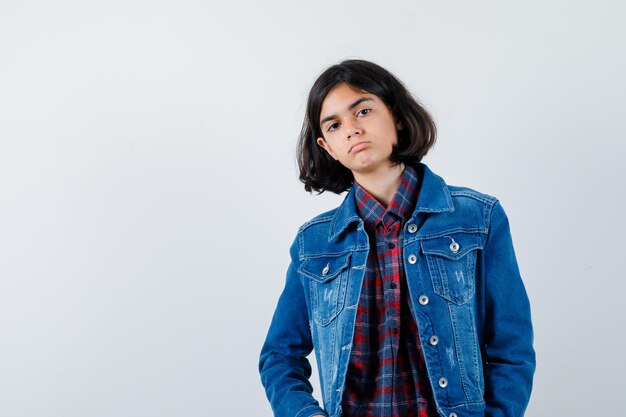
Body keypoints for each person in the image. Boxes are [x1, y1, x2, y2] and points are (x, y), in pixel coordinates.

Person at [258, 59, 535, 417]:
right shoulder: (314, 244)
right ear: (327, 147)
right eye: (335, 124)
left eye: (363, 111)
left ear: (397, 117)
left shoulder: (477, 219)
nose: (352, 130)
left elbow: (511, 347)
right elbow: (279, 356)